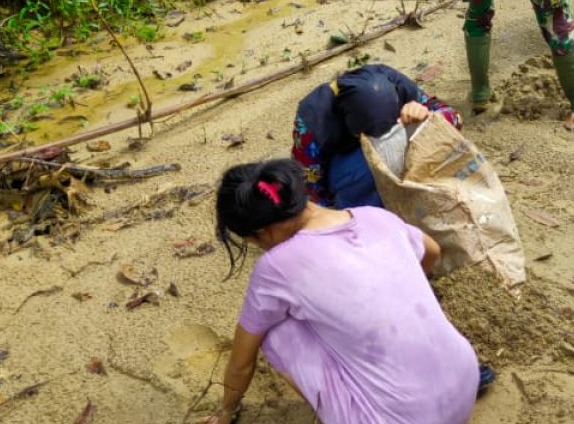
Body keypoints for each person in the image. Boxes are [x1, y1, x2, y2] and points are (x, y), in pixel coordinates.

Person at [204, 159, 480, 424]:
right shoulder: (375, 216)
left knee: (271, 332)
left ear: (263, 232)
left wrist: (226, 411)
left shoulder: (276, 267)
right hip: (466, 380)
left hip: (403, 419)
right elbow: (432, 249)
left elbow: (241, 361)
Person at [292, 64, 460, 208]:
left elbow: (455, 118)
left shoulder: (397, 84)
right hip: (353, 171)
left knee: (424, 134)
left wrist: (426, 116)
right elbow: (310, 185)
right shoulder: (313, 120)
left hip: (404, 166)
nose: (384, 140)